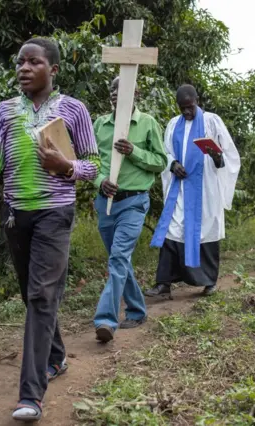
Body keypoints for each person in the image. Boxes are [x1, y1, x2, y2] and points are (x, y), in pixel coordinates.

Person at [0, 38, 100, 422]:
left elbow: (93, 165)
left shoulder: (74, 110)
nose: (23, 68)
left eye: (33, 62)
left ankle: (30, 396)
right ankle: (56, 356)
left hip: (56, 214)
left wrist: (65, 166)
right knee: (31, 295)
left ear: (53, 69)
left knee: (41, 296)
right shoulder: (4, 112)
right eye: (20, 62)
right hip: (16, 215)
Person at [146, 84, 240, 298]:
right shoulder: (172, 124)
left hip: (206, 189)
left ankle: (209, 282)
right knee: (172, 229)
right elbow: (165, 152)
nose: (187, 112)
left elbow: (230, 156)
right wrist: (172, 164)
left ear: (197, 101)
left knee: (205, 232)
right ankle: (164, 284)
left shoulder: (212, 121)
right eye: (182, 108)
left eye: (190, 107)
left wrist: (218, 158)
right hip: (179, 188)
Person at [92, 77, 167, 343]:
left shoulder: (147, 123)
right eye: (113, 89)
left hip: (134, 202)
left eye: (123, 90)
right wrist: (100, 181)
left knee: (118, 257)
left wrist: (134, 151)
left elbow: (160, 161)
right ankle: (136, 309)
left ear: (136, 94)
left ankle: (105, 320)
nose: (116, 94)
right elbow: (92, 163)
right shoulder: (100, 124)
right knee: (119, 259)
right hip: (106, 203)